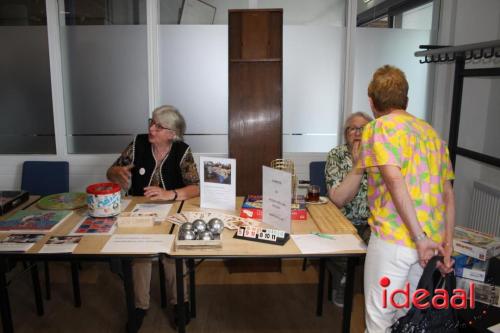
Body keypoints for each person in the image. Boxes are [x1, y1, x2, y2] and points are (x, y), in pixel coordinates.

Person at [334, 65, 455, 332]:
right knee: (407, 318)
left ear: (372, 101)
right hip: (430, 244)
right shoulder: (431, 133)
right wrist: (447, 245)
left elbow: (394, 180)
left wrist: (419, 238)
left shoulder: (378, 129)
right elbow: (448, 193)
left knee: (379, 321)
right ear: (406, 100)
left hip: (395, 240)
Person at [107, 105, 199, 330]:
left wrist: (170, 194)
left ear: (172, 134)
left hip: (173, 209)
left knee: (172, 252)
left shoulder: (182, 151)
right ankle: (139, 306)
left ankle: (180, 302)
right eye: (152, 122)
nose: (151, 128)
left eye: (159, 126)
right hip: (140, 209)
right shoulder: (137, 144)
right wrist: (115, 174)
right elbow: (111, 171)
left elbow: (196, 187)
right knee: (139, 253)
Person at [325, 111, 373, 307]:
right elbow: (339, 200)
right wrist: (357, 165)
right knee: (337, 250)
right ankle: (343, 281)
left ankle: (377, 290)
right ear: (346, 134)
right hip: (341, 219)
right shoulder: (336, 155)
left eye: (362, 128)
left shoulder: (380, 156)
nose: (357, 133)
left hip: (373, 222)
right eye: (352, 128)